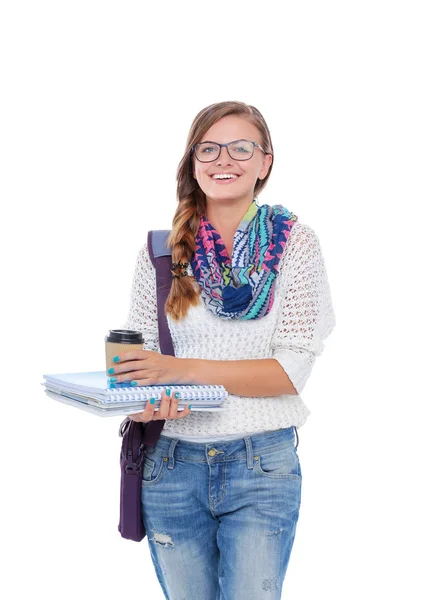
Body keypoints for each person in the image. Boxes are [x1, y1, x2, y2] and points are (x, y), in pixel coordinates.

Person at [111, 101, 335, 599]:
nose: (223, 159)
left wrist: (177, 369)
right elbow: (138, 356)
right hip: (169, 464)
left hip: (262, 464)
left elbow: (288, 372)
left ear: (265, 162)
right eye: (208, 148)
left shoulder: (297, 245)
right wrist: (141, 393)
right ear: (193, 163)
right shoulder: (162, 251)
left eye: (241, 147)